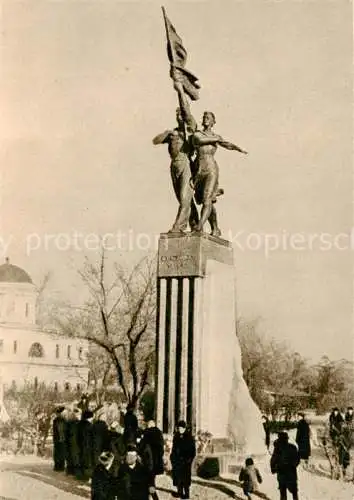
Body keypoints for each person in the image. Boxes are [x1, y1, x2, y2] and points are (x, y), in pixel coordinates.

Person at [153, 72, 199, 234]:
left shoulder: (190, 128)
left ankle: (178, 227)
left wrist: (180, 90)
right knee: (182, 198)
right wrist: (168, 134)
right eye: (177, 114)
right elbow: (155, 140)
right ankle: (195, 224)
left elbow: (186, 110)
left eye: (181, 113)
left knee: (185, 197)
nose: (179, 115)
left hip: (186, 163)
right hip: (174, 166)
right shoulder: (173, 132)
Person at [190, 110, 247, 236]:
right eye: (204, 117)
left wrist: (238, 148)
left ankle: (199, 226)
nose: (206, 119)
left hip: (211, 169)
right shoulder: (198, 134)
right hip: (199, 170)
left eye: (208, 117)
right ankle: (215, 228)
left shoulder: (216, 137)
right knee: (205, 200)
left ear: (213, 122)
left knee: (206, 200)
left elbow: (228, 145)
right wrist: (216, 139)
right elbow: (199, 140)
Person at [170, 420, 196, 500]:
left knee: (185, 478)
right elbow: (173, 449)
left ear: (185, 428)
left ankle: (187, 494)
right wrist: (172, 458)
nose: (180, 429)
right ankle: (180, 492)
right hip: (177, 461)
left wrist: (189, 460)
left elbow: (193, 450)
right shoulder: (176, 437)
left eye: (182, 428)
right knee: (178, 477)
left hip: (185, 462)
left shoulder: (189, 437)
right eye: (179, 428)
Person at [270, 431, 300, 500]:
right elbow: (297, 459)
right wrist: (293, 465)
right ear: (287, 439)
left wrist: (273, 469)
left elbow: (273, 460)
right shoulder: (292, 447)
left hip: (281, 474)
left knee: (283, 493)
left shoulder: (277, 449)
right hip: (291, 474)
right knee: (294, 492)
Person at [139, 420, 165, 500]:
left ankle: (154, 497)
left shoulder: (147, 433)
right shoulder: (159, 433)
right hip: (156, 462)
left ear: (149, 425)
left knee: (149, 481)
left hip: (148, 461)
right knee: (151, 479)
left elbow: (142, 446)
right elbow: (162, 449)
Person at [77, 410, 95, 481]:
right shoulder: (90, 426)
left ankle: (80, 476)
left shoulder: (79, 424)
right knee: (87, 462)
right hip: (87, 446)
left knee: (81, 460)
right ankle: (85, 477)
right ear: (89, 417)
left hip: (80, 445)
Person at [65, 407, 81, 476]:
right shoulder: (77, 423)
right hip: (75, 442)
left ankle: (69, 471)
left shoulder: (68, 422)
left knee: (69, 456)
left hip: (69, 441)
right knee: (75, 456)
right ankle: (74, 471)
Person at [52, 406, 67, 472]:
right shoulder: (58, 420)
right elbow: (57, 430)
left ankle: (59, 466)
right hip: (60, 439)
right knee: (59, 453)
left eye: (59, 413)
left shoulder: (61, 420)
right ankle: (58, 466)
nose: (58, 414)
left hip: (60, 439)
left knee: (60, 453)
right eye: (58, 413)